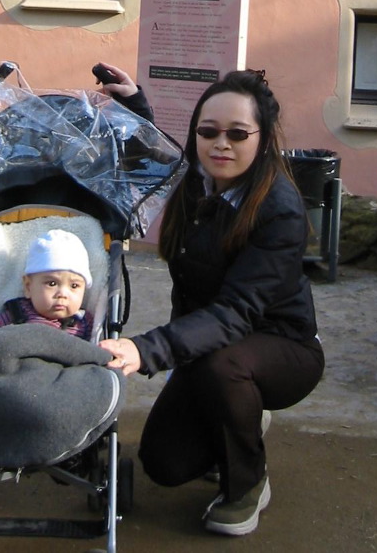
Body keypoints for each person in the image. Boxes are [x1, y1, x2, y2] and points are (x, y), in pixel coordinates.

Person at [97, 65, 324, 538]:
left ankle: (247, 483)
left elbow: (237, 313)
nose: (222, 144)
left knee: (226, 368)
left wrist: (147, 349)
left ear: (262, 139)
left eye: (238, 134)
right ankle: (238, 415)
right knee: (164, 462)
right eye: (208, 131)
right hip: (209, 343)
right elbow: (160, 156)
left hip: (280, 346)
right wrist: (135, 103)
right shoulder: (196, 178)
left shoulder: (279, 210)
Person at [0, 229, 94, 340]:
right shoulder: (17, 314)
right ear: (28, 287)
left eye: (74, 286)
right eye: (52, 283)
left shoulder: (84, 323)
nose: (62, 294)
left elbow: (97, 349)